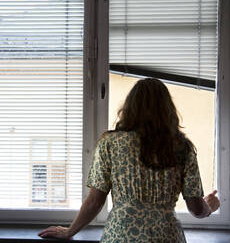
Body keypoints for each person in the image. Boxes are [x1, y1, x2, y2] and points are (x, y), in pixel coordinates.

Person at [38, 78, 220, 242]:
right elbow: (196, 209)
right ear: (167, 109)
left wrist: (70, 231)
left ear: (130, 107)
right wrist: (209, 207)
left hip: (120, 235)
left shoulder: (110, 143)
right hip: (166, 236)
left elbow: (95, 201)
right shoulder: (182, 147)